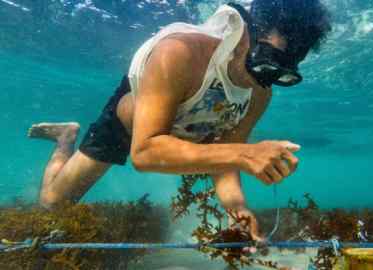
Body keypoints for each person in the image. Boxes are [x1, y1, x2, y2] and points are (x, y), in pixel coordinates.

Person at [28, 0, 331, 240]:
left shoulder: (260, 93)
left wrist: (237, 209)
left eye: (281, 73)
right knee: (53, 203)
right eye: (265, 60)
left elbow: (226, 158)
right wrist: (245, 153)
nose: (262, 79)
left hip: (188, 135)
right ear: (244, 30)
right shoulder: (179, 52)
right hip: (131, 127)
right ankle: (65, 138)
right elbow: (145, 153)